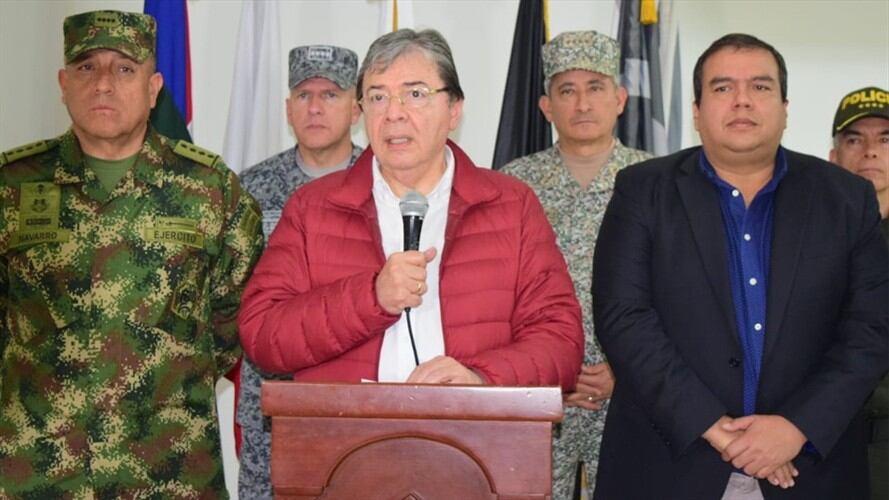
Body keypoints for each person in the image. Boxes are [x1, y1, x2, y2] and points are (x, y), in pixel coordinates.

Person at [592, 33, 888, 500]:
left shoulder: (846, 199)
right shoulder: (642, 190)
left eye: (761, 86)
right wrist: (715, 429)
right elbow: (623, 317)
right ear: (697, 111)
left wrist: (796, 427)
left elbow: (871, 328)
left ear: (785, 108)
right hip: (669, 466)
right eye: (723, 87)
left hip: (810, 468)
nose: (743, 100)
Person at [238, 26, 582, 410]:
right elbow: (262, 335)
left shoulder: (511, 205)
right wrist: (371, 297)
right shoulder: (313, 207)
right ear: (362, 111)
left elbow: (561, 342)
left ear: (454, 110)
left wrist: (481, 379)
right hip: (347, 434)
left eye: (415, 94)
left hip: (472, 434)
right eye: (377, 97)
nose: (393, 113)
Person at [0, 10, 263, 497]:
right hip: (39, 473)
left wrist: (162, 370)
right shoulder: (13, 185)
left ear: (154, 87)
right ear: (63, 84)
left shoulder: (210, 189)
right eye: (86, 67)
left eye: (124, 68)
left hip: (170, 471)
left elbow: (239, 317)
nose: (103, 83)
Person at [499, 30, 652, 499]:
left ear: (620, 99)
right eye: (567, 90)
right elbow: (496, 295)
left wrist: (625, 369)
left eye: (596, 87)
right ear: (546, 106)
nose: (582, 103)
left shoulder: (657, 182)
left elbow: (677, 293)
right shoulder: (512, 186)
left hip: (633, 394)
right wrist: (549, 368)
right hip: (539, 395)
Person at [236, 44, 363, 500]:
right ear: (288, 109)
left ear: (356, 109)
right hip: (270, 399)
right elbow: (233, 291)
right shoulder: (250, 189)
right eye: (304, 95)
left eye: (330, 94)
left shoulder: (384, 183)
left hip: (355, 396)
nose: (314, 107)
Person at [829, 85, 889, 500]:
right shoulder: (804, 237)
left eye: (885, 140)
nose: (869, 152)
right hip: (822, 442)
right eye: (854, 140)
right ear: (833, 157)